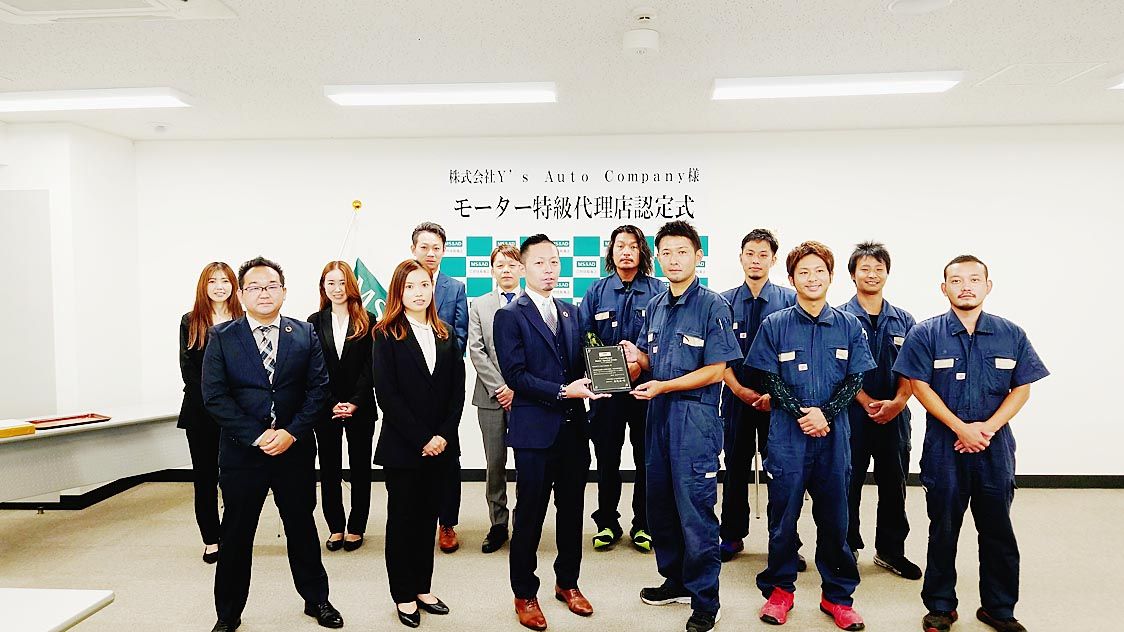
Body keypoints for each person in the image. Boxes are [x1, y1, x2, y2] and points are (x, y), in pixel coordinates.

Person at [893, 255, 1048, 632]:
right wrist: (960, 428)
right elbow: (919, 386)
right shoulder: (926, 334)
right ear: (943, 288)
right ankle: (940, 606)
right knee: (943, 528)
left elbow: (1022, 388)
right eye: (957, 280)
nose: (966, 286)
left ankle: (999, 608)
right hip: (944, 448)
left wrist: (987, 429)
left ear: (987, 286)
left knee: (998, 529)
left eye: (974, 279)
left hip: (995, 449)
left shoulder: (1011, 333)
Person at [202, 256, 343, 632]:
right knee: (236, 533)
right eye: (254, 287)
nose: (263, 293)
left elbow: (319, 389)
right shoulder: (222, 337)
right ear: (241, 294)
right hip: (242, 453)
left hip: (293, 450)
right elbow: (214, 396)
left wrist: (291, 433)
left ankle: (317, 600)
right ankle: (228, 613)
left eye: (271, 286)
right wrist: (258, 435)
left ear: (284, 291)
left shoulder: (304, 333)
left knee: (302, 527)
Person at [745, 241, 874, 630]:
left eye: (820, 271)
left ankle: (837, 596)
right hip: (789, 436)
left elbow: (856, 377)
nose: (812, 278)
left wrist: (825, 414)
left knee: (836, 519)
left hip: (833, 438)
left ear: (831, 277)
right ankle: (780, 591)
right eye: (803, 272)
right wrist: (803, 413)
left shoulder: (849, 325)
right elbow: (769, 377)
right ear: (791, 279)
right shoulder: (775, 325)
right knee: (783, 518)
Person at [620, 220, 743, 632]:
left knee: (695, 511)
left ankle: (706, 600)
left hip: (695, 419)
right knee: (661, 505)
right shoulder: (656, 305)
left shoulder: (713, 306)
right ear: (658, 258)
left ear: (697, 256)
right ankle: (676, 580)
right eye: (667, 253)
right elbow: (650, 361)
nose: (674, 260)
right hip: (658, 416)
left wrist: (664, 385)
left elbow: (716, 369)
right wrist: (634, 357)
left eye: (682, 252)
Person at [494, 234, 607, 631]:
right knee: (529, 515)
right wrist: (563, 391)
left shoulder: (571, 312)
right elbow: (516, 375)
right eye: (540, 263)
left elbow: (581, 364)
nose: (548, 270)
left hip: (574, 432)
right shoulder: (510, 315)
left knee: (572, 512)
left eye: (554, 262)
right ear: (523, 267)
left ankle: (568, 583)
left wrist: (609, 371)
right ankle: (524, 593)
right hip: (534, 434)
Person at [371, 259, 465, 628]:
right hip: (404, 448)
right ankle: (403, 594)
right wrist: (423, 438)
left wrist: (442, 435)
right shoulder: (385, 334)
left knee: (428, 521)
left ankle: (423, 587)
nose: (418, 292)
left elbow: (456, 392)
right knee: (402, 523)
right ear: (398, 291)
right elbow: (387, 395)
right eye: (410, 286)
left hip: (441, 446)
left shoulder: (445, 333)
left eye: (424, 284)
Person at [577, 224, 665, 552]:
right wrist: (615, 369)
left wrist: (641, 364)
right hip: (606, 393)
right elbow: (586, 335)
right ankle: (607, 523)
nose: (626, 252)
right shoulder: (596, 291)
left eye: (632, 246)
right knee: (607, 459)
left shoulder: (658, 291)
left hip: (646, 390)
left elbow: (663, 337)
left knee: (647, 459)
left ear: (642, 252)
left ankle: (644, 524)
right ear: (611, 252)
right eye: (620, 246)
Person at [839, 242, 921, 579]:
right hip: (851, 415)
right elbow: (836, 370)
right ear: (852, 274)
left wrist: (899, 402)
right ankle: (846, 547)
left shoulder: (905, 320)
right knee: (848, 483)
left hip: (895, 417)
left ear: (887, 273)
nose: (872, 274)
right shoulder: (839, 318)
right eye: (865, 269)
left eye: (878, 269)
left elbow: (914, 370)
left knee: (894, 484)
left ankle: (890, 550)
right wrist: (863, 400)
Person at [717, 229, 797, 564]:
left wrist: (775, 396)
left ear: (773, 260)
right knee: (735, 466)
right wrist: (738, 389)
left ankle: (784, 542)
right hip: (736, 396)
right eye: (750, 253)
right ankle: (731, 535)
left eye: (763, 255)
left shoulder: (790, 300)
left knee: (780, 470)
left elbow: (796, 354)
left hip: (777, 402)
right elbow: (716, 355)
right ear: (740, 257)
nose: (755, 260)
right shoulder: (722, 302)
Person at [308, 261, 377, 553]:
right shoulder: (313, 321)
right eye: (331, 283)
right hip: (326, 407)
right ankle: (335, 526)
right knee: (329, 469)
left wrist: (355, 401)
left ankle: (357, 526)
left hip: (361, 406)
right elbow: (313, 367)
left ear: (352, 285)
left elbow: (371, 365)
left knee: (360, 469)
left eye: (342, 282)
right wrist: (331, 402)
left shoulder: (368, 319)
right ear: (323, 287)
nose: (337, 289)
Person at [179, 261, 244, 565]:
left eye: (225, 281)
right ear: (203, 286)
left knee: (234, 478)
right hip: (201, 412)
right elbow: (188, 370)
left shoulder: (243, 319)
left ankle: (232, 534)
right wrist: (214, 402)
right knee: (205, 478)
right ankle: (211, 539)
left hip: (237, 414)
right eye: (212, 281)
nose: (219, 287)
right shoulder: (190, 321)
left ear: (234, 286)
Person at [410, 221, 468, 553]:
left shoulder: (455, 287)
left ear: (444, 251)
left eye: (436, 248)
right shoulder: (402, 282)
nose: (430, 253)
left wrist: (439, 361)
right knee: (415, 451)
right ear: (413, 249)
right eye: (424, 247)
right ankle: (418, 519)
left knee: (448, 457)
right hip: (411, 385)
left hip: (444, 382)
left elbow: (460, 334)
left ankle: (447, 523)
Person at [467, 243, 523, 554]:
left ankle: (524, 521)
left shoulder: (532, 302)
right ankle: (498, 523)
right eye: (500, 265)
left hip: (525, 397)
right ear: (492, 270)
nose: (506, 270)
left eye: (512, 265)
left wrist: (517, 388)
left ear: (522, 269)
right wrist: (501, 388)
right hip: (490, 397)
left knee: (527, 462)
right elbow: (476, 350)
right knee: (495, 463)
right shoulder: (480, 305)